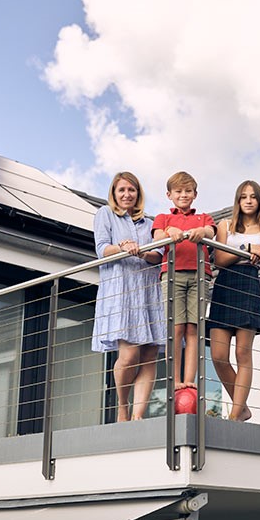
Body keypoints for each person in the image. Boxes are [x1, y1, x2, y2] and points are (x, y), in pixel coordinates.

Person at [92, 172, 165, 422]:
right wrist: (123, 247)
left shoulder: (150, 222)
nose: (126, 195)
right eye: (121, 190)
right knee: (129, 355)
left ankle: (138, 416)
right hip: (121, 292)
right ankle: (122, 406)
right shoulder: (105, 214)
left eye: (131, 190)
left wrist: (143, 253)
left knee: (149, 355)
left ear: (138, 193)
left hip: (148, 292)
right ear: (114, 193)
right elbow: (102, 249)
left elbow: (159, 256)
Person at [208, 180, 260, 421]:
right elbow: (218, 259)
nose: (248, 200)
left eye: (253, 196)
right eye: (243, 196)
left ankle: (235, 413)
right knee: (218, 355)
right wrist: (248, 248)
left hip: (249, 284)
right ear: (237, 201)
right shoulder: (225, 225)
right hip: (225, 285)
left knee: (243, 353)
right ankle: (243, 408)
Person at [152, 171, 216, 390]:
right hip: (172, 275)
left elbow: (210, 231)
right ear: (169, 194)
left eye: (188, 191)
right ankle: (175, 380)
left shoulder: (203, 217)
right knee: (176, 328)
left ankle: (189, 380)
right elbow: (157, 237)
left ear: (195, 194)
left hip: (200, 275)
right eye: (178, 191)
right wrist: (170, 231)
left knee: (193, 328)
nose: (183, 195)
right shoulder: (164, 218)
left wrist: (200, 231)